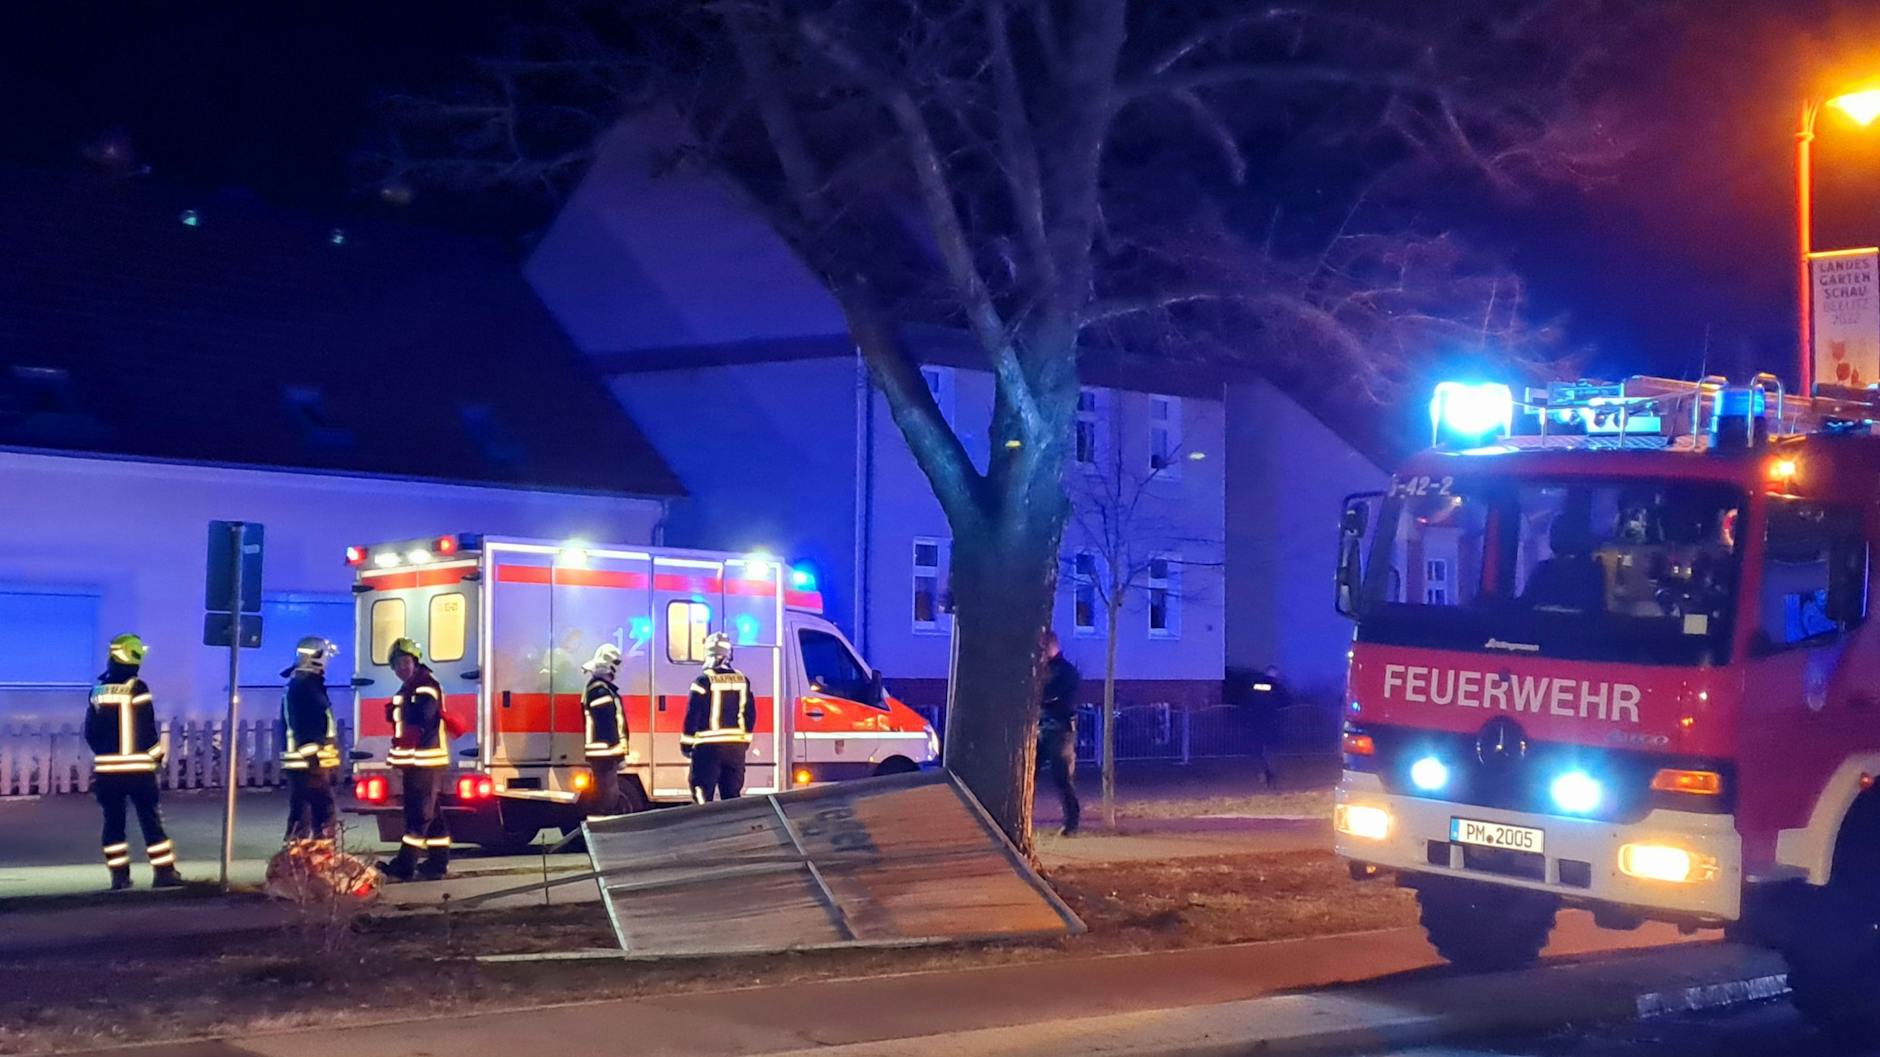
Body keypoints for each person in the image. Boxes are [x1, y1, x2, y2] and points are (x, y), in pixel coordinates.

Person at [84, 634, 183, 890]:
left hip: (107, 772)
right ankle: (164, 874)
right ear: (134, 657)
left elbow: (90, 733)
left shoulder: (97, 690)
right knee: (151, 822)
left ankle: (119, 877)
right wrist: (157, 755)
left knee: (113, 825)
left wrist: (106, 755)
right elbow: (146, 729)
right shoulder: (137, 688)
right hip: (138, 771)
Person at [381, 637, 450, 881]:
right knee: (434, 818)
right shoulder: (410, 686)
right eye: (397, 664)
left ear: (415, 661)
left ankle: (405, 865)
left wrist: (406, 728)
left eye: (405, 662)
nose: (401, 668)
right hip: (414, 763)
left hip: (425, 762)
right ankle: (438, 863)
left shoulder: (425, 686)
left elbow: (423, 719)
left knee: (418, 815)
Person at [280, 636, 342, 841]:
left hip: (307, 764)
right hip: (309, 765)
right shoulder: (305, 687)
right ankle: (319, 858)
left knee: (301, 814)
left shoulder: (304, 685)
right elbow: (306, 728)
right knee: (323, 812)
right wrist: (315, 762)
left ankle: (297, 861)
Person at [682, 633, 755, 803]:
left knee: (702, 794)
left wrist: (686, 745)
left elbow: (693, 714)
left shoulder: (702, 681)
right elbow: (750, 714)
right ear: (729, 654)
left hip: (707, 749)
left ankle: (704, 828)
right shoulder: (743, 680)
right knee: (732, 797)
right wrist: (745, 742)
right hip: (735, 749)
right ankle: (732, 828)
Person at [1037, 631, 1082, 836]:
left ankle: (1072, 823)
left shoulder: (1066, 671)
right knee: (1028, 776)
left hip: (1061, 731)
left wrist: (1037, 696)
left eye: (1043, 648)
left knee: (1062, 778)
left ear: (1052, 646)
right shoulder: (1042, 669)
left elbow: (1050, 695)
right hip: (1040, 729)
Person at [581, 643, 631, 815]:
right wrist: (619, 755)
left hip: (603, 754)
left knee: (606, 795)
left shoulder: (599, 689)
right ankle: (602, 834)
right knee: (607, 798)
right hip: (605, 754)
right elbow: (608, 726)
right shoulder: (600, 691)